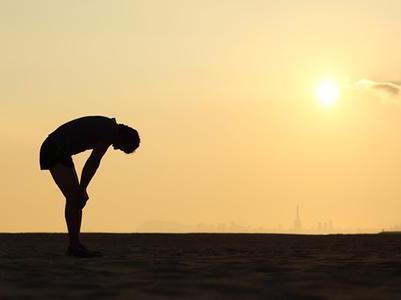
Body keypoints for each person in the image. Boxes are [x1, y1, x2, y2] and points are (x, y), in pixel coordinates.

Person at [39, 116, 140, 257]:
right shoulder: (110, 131)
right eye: (122, 147)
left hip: (61, 152)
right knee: (75, 198)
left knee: (76, 199)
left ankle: (75, 245)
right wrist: (83, 188)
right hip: (53, 150)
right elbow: (93, 162)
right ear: (123, 137)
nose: (116, 149)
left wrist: (82, 189)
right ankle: (74, 247)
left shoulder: (109, 127)